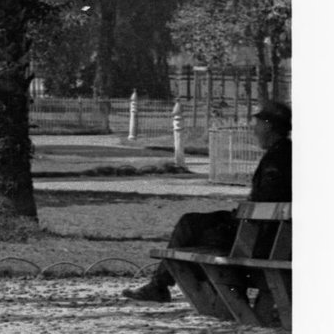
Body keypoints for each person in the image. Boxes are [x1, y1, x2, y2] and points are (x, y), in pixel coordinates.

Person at [124, 100, 290, 305]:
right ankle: (164, 285)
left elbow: (265, 202)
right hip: (269, 233)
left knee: (190, 225)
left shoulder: (277, 160)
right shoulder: (284, 154)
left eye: (256, 123)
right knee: (193, 224)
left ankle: (162, 286)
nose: (253, 129)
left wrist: (238, 216)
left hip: (260, 238)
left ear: (269, 125)